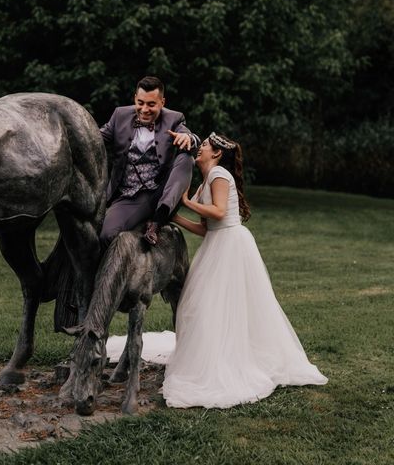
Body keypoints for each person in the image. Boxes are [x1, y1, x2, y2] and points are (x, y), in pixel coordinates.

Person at [106, 132, 328, 408]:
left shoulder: (219, 174)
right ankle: (209, 354)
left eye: (206, 146)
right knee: (196, 306)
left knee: (215, 306)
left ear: (217, 153)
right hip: (215, 243)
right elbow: (204, 228)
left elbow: (220, 213)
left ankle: (225, 361)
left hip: (231, 246)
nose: (200, 149)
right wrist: (175, 218)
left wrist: (185, 203)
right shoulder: (204, 183)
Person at [99, 76, 199, 248]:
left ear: (162, 102)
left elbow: (192, 138)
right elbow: (95, 138)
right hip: (128, 195)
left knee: (186, 158)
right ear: (135, 99)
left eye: (151, 104)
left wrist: (187, 137)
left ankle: (157, 222)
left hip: (160, 192)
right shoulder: (120, 115)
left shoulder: (174, 118)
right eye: (140, 102)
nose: (144, 109)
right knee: (107, 235)